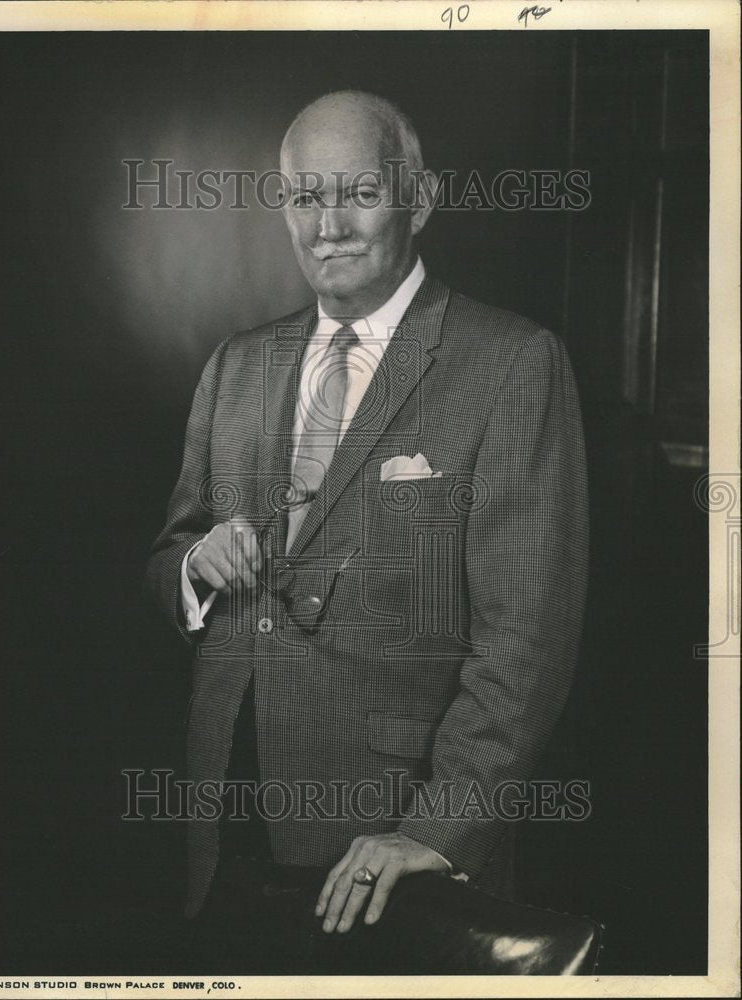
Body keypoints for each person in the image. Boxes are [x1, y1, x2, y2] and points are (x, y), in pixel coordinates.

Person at [146, 90, 589, 944]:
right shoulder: (237, 364)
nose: (329, 226)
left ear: (419, 202)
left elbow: (526, 645)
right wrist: (197, 564)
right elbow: (168, 555)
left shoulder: (512, 365)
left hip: (393, 840)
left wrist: (431, 832)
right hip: (225, 822)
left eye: (358, 192)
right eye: (306, 197)